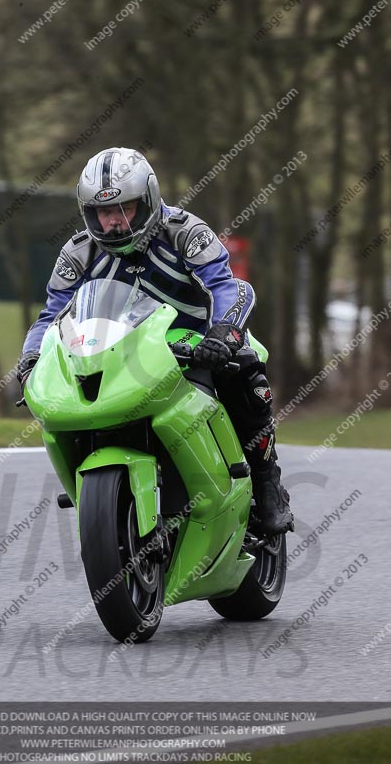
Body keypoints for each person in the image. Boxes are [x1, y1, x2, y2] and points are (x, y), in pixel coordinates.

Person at [17, 147, 294, 535]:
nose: (112, 223)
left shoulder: (186, 233)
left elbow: (226, 287)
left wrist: (223, 335)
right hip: (119, 349)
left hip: (193, 341)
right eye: (101, 212)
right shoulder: (78, 253)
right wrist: (31, 357)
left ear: (146, 201)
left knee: (245, 364)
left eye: (123, 209)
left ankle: (267, 480)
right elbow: (52, 315)